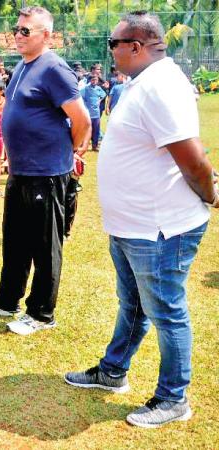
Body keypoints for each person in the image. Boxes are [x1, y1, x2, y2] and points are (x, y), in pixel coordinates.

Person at [65, 11, 215, 429]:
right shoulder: (142, 83)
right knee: (133, 305)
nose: (109, 52)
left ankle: (173, 398)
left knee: (166, 311)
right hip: (134, 226)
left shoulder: (161, 87)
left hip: (161, 228)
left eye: (114, 44)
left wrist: (210, 193)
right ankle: (113, 372)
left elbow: (193, 158)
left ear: (136, 46)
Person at [0, 6, 91, 336]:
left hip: (47, 173)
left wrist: (68, 151)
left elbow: (81, 120)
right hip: (21, 172)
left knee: (45, 246)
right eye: (16, 30)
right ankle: (7, 300)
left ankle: (41, 313)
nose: (18, 36)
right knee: (15, 241)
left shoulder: (54, 69)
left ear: (46, 35)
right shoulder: (23, 66)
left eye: (26, 31)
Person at [80, 74, 107, 151]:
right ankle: (84, 145)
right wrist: (84, 105)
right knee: (86, 130)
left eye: (96, 80)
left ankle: (94, 146)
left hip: (96, 114)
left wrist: (99, 100)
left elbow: (104, 94)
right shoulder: (85, 89)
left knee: (96, 130)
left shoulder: (99, 88)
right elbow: (79, 96)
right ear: (90, 80)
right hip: (88, 114)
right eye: (93, 80)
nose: (94, 81)